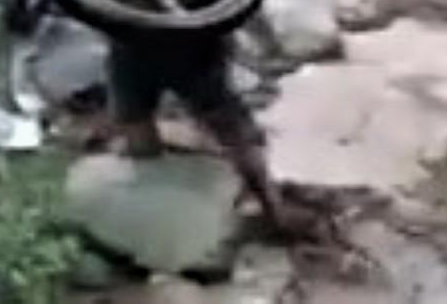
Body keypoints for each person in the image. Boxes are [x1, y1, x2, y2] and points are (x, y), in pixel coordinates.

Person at [105, 34, 324, 240]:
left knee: (141, 136)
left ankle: (155, 224)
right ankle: (274, 211)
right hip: (188, 45)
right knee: (232, 130)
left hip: (136, 46)